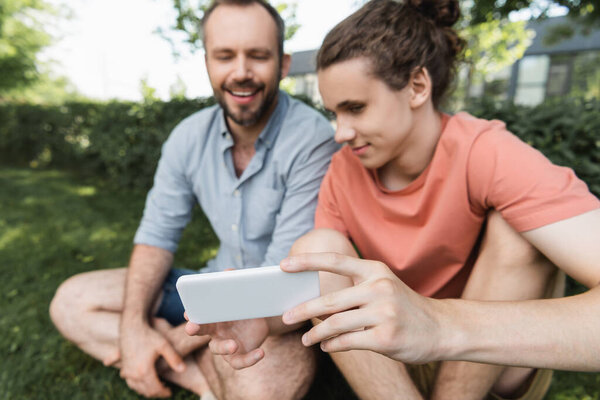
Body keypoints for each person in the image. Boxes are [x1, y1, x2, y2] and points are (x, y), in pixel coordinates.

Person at [188, 0, 600, 399]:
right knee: (317, 249)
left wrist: (438, 325)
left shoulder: (487, 152)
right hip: (391, 361)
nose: (341, 133)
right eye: (334, 113)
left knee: (517, 231)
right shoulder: (344, 172)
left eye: (355, 108)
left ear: (418, 86)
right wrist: (260, 321)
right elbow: (317, 290)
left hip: (486, 359)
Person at [49, 1, 338, 399]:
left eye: (258, 55)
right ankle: (204, 381)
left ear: (283, 64)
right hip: (206, 288)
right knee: (71, 303)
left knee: (263, 389)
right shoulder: (187, 137)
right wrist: (133, 329)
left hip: (273, 315)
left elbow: (282, 278)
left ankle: (171, 363)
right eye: (224, 56)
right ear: (206, 63)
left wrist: (177, 339)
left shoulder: (313, 140)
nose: (240, 72)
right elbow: (156, 236)